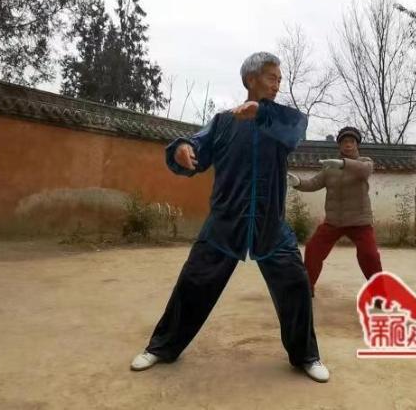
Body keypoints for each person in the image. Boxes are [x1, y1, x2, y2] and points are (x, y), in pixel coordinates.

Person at [129, 51, 329, 383]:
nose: (277, 84)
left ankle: (306, 355)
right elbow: (197, 145)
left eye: (279, 79)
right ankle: (161, 348)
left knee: (295, 284)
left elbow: (298, 129)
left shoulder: (281, 124)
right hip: (224, 222)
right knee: (193, 283)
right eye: (272, 78)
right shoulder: (223, 122)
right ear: (251, 79)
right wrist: (182, 149)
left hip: (270, 224)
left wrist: (261, 113)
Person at [287, 126, 383, 298]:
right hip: (334, 222)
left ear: (357, 145)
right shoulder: (330, 168)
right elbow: (313, 183)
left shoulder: (364, 162)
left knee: (370, 255)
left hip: (359, 222)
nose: (348, 145)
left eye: (351, 142)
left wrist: (344, 164)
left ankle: (379, 295)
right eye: (344, 142)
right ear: (339, 145)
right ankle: (306, 288)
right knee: (313, 249)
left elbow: (365, 171)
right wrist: (298, 183)